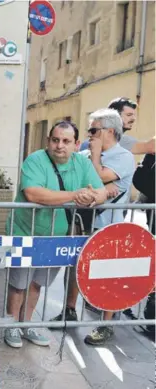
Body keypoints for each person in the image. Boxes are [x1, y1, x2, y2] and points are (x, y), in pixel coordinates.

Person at [4, 121, 107, 349]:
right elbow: (33, 194)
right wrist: (74, 194)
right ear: (48, 141)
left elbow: (101, 192)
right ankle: (10, 325)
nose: (60, 145)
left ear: (76, 144)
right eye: (55, 140)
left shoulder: (82, 162)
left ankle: (26, 324)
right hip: (25, 231)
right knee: (19, 283)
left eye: (66, 141)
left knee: (37, 284)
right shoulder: (35, 160)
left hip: (56, 235)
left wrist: (90, 197)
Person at [82, 108, 135, 345]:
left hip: (109, 226)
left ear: (109, 131)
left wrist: (94, 158)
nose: (89, 135)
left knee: (109, 277)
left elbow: (95, 179)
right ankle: (70, 310)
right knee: (78, 270)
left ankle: (106, 325)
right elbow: (85, 180)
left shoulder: (123, 156)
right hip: (85, 223)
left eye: (94, 130)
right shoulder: (87, 153)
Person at [80, 97, 155, 155]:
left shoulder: (88, 142)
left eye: (134, 115)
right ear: (116, 116)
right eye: (129, 115)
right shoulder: (115, 138)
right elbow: (152, 147)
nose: (133, 118)